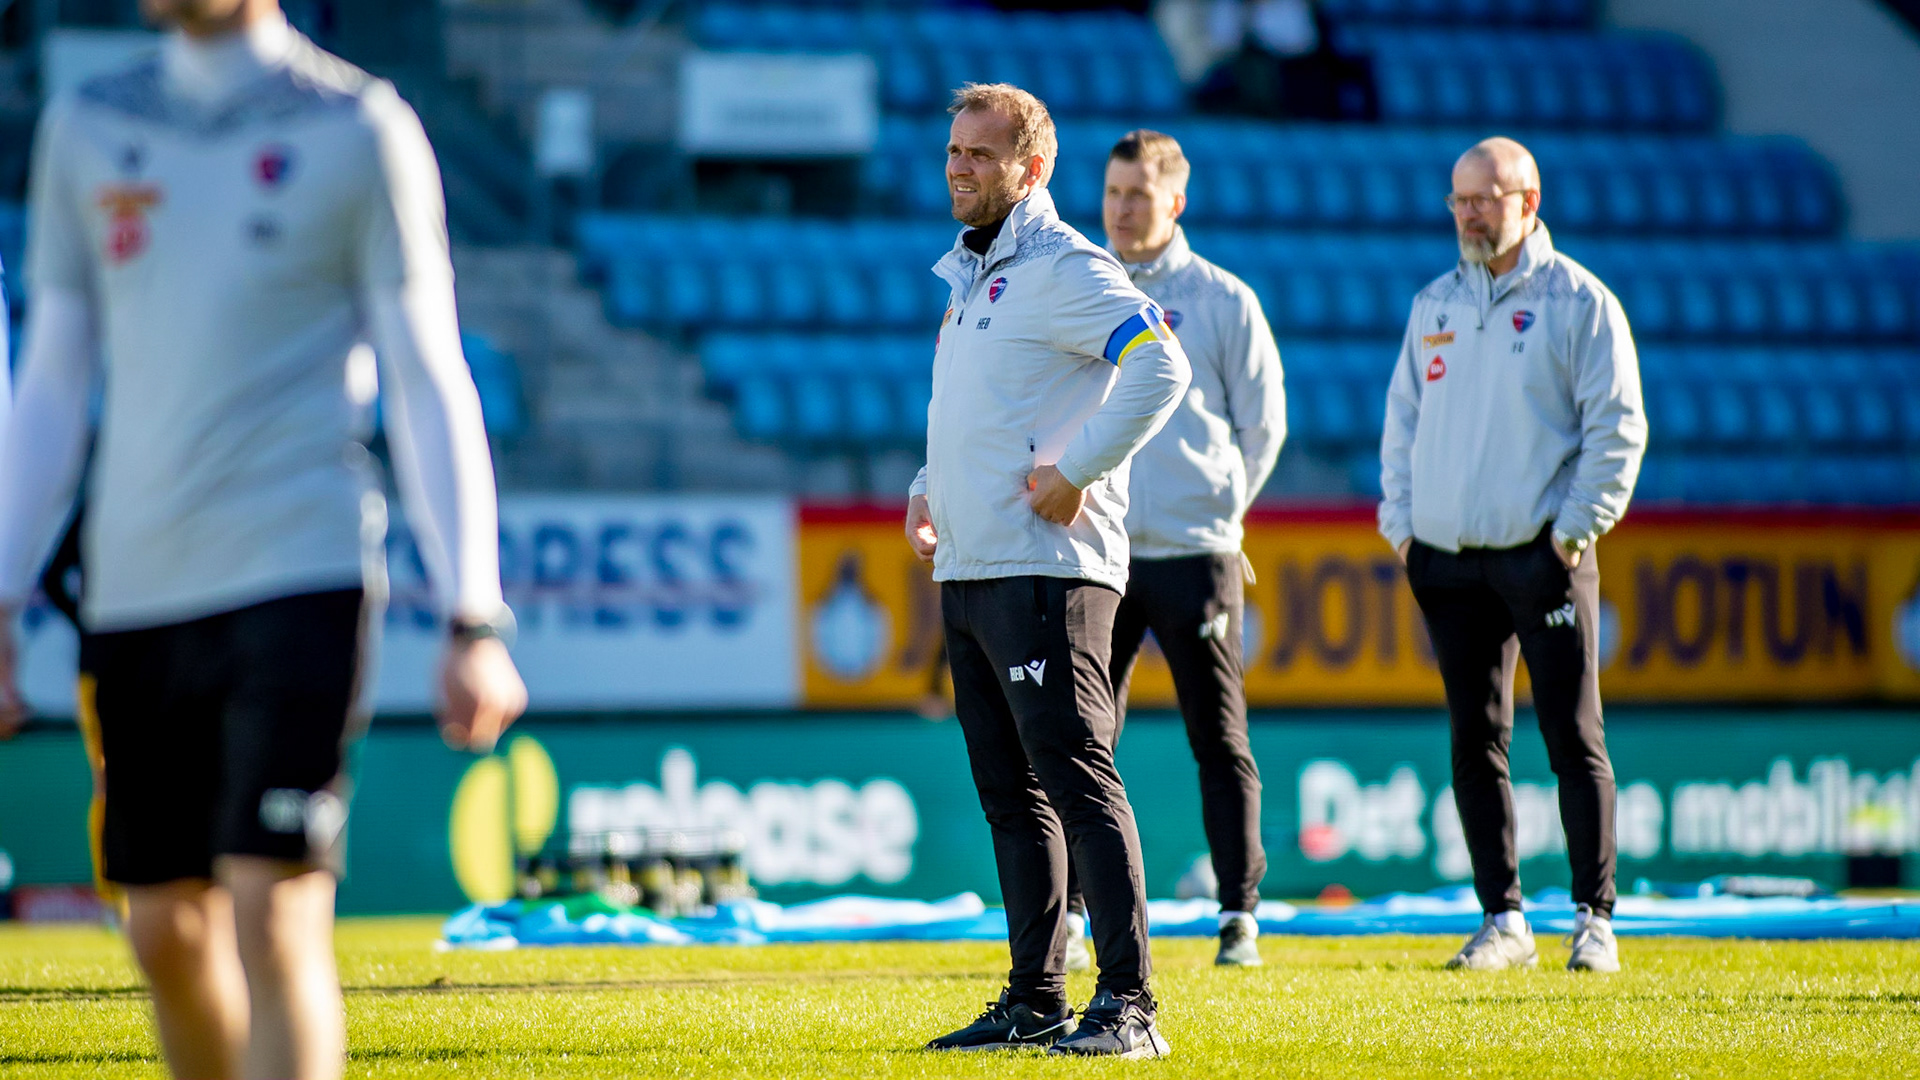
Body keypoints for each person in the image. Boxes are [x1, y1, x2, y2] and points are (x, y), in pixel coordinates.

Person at [0, 2, 529, 1077]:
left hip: (303, 563)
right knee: (164, 932)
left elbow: (428, 379)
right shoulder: (87, 126)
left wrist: (475, 611)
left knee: (273, 913)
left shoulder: (359, 126)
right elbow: (50, 382)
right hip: (136, 583)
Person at [906, 82, 1190, 1058]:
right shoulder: (974, 274)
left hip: (1048, 567)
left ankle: (1131, 1007)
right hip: (976, 566)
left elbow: (1161, 364)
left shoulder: (1066, 266)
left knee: (1076, 782)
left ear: (1032, 171)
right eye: (952, 151)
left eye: (980, 155)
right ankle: (1036, 999)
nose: (957, 167)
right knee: (1012, 798)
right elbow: (983, 406)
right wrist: (927, 480)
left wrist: (1076, 472)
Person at [1378, 137, 1646, 974]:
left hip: (1545, 553)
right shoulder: (1435, 304)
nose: (1468, 213)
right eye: (1459, 199)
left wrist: (1573, 530)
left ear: (1528, 200)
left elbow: (1617, 428)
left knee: (1573, 732)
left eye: (1484, 198)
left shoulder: (1580, 302)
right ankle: (1504, 920)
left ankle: (1593, 919)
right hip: (1450, 561)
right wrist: (1405, 530)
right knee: (1475, 740)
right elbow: (1401, 426)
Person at [1060, 129, 1283, 970]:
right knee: (1085, 736)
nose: (1120, 211)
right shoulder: (1081, 287)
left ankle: (1239, 916)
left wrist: (1221, 507)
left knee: (1217, 737)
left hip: (1196, 551)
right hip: (1101, 548)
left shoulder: (1224, 301)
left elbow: (1264, 425)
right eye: (1112, 194)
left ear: (1175, 202)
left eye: (1137, 196)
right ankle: (1077, 918)